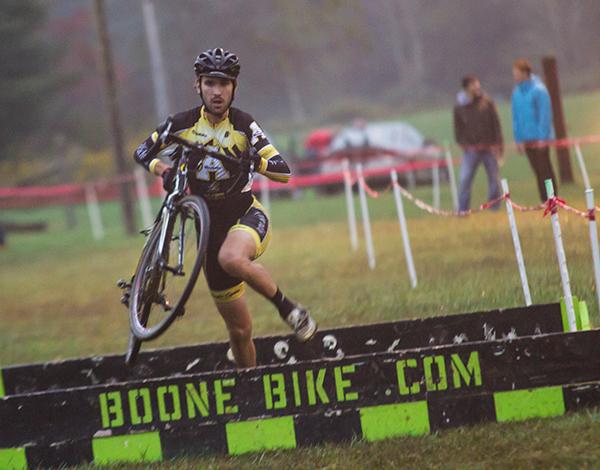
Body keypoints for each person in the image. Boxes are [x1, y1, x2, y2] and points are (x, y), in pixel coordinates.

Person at [133, 47, 317, 368]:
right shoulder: (181, 124)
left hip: (247, 217)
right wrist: (161, 169)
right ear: (198, 85)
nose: (217, 92)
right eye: (210, 84)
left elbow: (283, 171)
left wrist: (255, 160)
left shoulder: (245, 125)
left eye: (224, 84)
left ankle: (290, 310)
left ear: (234, 87)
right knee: (240, 330)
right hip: (209, 233)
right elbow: (143, 151)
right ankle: (251, 391)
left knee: (231, 258)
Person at [453, 75, 503, 212]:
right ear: (466, 88)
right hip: (471, 150)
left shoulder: (487, 102)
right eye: (473, 84)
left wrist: (499, 145)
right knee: (464, 180)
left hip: (489, 148)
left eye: (477, 84)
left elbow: (496, 125)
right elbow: (457, 129)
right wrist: (463, 144)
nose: (477, 87)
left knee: (494, 179)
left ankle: (494, 208)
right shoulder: (459, 107)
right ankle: (462, 210)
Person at [511, 58, 557, 201]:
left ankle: (553, 199)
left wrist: (543, 138)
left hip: (540, 139)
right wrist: (518, 139)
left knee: (545, 171)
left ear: (525, 73)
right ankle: (544, 200)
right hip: (527, 139)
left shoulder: (539, 90)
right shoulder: (516, 94)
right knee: (537, 171)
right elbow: (516, 118)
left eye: (517, 73)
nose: (515, 77)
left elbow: (545, 115)